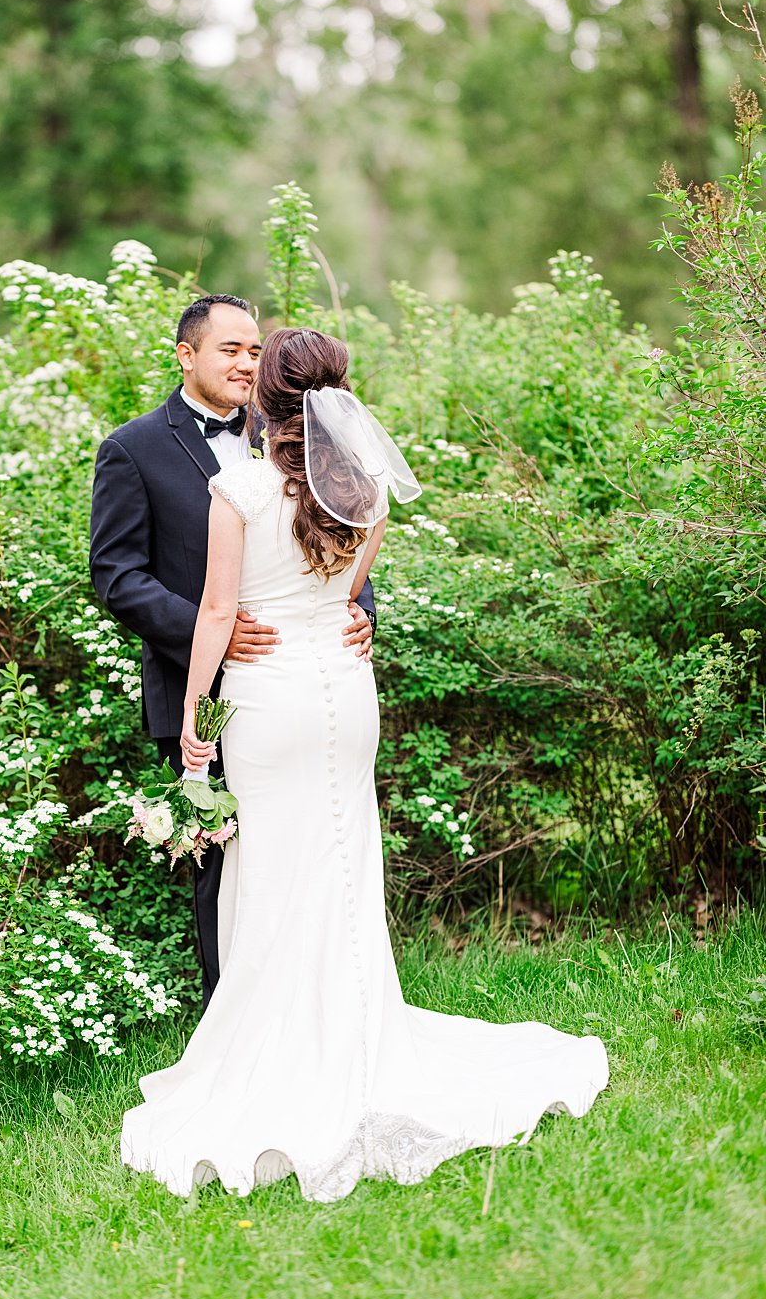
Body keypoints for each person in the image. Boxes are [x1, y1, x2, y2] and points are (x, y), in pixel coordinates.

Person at [118, 326, 609, 1201]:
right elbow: (343, 598)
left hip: (267, 698)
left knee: (273, 866)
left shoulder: (236, 485)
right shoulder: (364, 487)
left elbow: (221, 611)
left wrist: (199, 724)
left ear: (267, 398)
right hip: (345, 693)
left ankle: (283, 1049)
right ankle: (357, 1034)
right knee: (345, 861)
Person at [88, 293, 375, 1007]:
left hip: (301, 676)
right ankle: (233, 1016)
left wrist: (358, 609)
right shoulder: (133, 448)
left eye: (255, 349)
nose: (246, 362)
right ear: (186, 354)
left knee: (317, 844)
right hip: (206, 681)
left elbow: (338, 546)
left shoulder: (294, 433)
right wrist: (207, 630)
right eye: (230, 349)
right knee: (223, 858)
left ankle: (320, 1007)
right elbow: (117, 575)